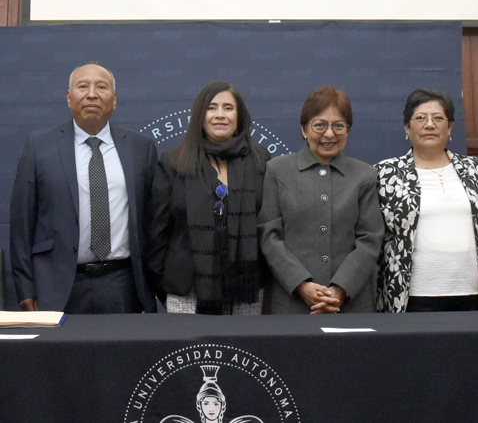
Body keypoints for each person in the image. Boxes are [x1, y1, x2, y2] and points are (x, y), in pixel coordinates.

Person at [10, 62, 158, 313]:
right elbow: (21, 224)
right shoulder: (39, 146)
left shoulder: (140, 148)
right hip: (57, 286)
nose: (92, 94)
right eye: (82, 86)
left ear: (114, 99)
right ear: (69, 98)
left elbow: (154, 222)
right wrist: (25, 288)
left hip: (122, 284)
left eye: (101, 87)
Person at [146, 82, 269, 315]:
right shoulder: (174, 162)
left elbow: (269, 226)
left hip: (247, 291)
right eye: (211, 108)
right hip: (186, 293)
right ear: (199, 116)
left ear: (239, 116)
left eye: (228, 108)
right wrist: (164, 286)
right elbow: (156, 233)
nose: (220, 115)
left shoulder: (260, 160)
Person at [258, 86, 384, 314]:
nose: (329, 134)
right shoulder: (277, 170)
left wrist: (340, 288)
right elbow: (269, 236)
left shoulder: (365, 175)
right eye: (319, 125)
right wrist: (301, 285)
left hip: (351, 305)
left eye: (339, 126)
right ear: (304, 129)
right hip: (291, 304)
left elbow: (370, 238)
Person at [376, 88, 478, 313]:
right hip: (413, 296)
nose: (430, 125)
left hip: (474, 293)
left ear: (450, 128)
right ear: (407, 127)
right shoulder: (386, 173)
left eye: (438, 118)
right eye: (420, 118)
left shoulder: (477, 169)